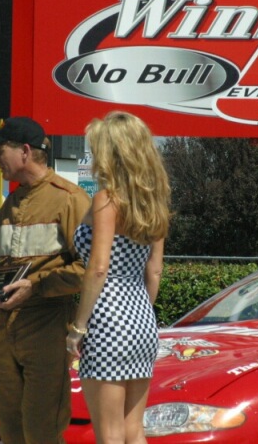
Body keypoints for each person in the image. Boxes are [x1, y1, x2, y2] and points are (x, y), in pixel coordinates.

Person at [0, 116, 92, 444]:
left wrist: (35, 286)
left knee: (42, 430)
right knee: (10, 429)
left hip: (47, 325)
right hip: (5, 327)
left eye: (0, 150)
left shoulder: (70, 199)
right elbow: (4, 266)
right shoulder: (10, 203)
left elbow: (90, 269)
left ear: (25, 152)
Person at [65, 111, 169, 444]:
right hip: (141, 317)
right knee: (133, 430)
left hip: (107, 317)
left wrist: (78, 328)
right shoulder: (153, 203)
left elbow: (98, 267)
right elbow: (154, 270)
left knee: (108, 434)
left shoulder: (107, 200)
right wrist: (138, 312)